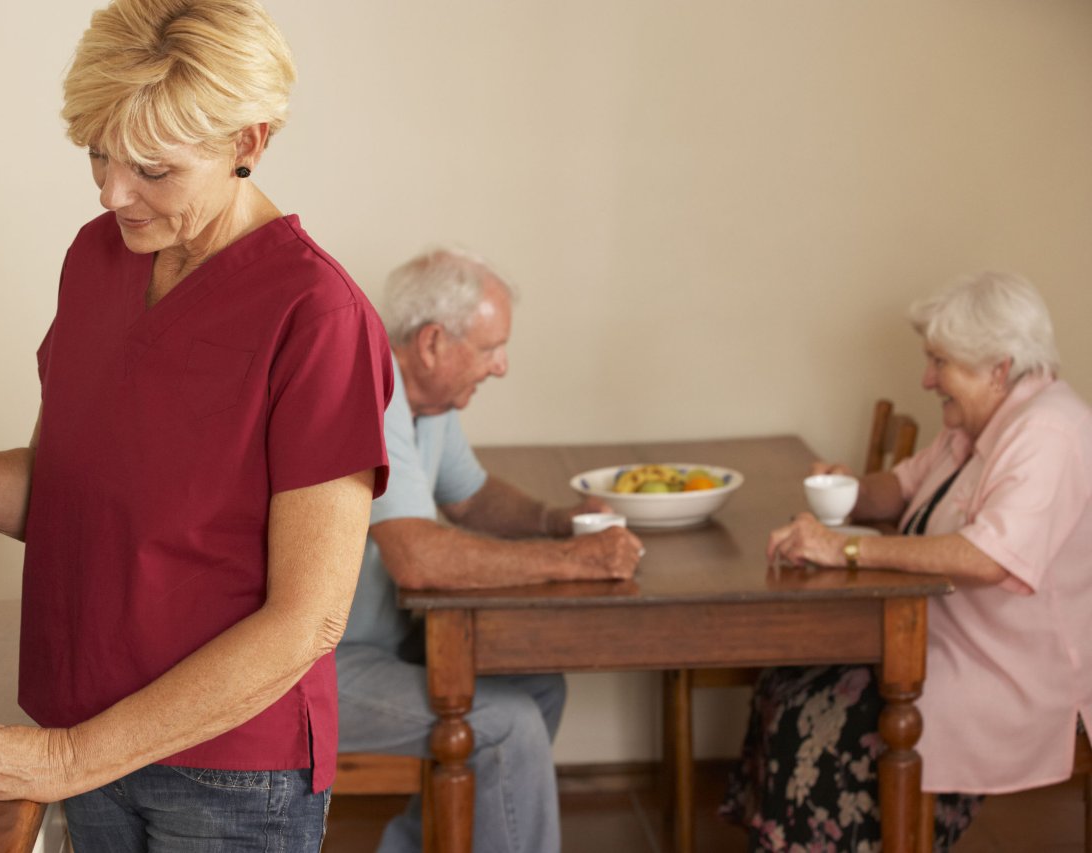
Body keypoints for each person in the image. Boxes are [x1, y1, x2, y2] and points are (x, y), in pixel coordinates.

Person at [0, 1, 392, 850]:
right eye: (99, 152)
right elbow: (70, 497)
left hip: (228, 772)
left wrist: (67, 758)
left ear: (248, 142)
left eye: (153, 169)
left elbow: (308, 621)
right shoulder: (97, 258)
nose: (112, 192)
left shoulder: (319, 316)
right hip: (81, 725)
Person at [722, 272, 1092, 851]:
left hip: (1007, 667)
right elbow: (900, 487)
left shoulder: (1049, 431)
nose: (927, 379)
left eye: (940, 363)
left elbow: (989, 557)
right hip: (934, 637)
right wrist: (847, 491)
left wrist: (845, 548)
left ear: (998, 368)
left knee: (822, 717)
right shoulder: (977, 420)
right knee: (788, 680)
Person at [335, 246, 644, 853]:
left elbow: (471, 498)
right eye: (490, 349)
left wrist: (556, 521)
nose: (501, 366)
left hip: (385, 639)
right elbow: (418, 559)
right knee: (508, 725)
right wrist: (573, 560)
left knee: (539, 686)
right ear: (432, 343)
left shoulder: (428, 404)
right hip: (316, 663)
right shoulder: (370, 392)